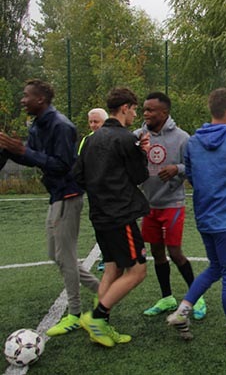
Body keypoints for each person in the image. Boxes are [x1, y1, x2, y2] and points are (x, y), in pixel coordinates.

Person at [0, 79, 100, 337]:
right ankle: (103, 291)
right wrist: (11, 150)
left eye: (26, 96)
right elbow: (32, 157)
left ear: (40, 100)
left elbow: (63, 165)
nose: (22, 100)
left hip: (69, 194)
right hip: (56, 195)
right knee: (54, 254)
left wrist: (23, 150)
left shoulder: (61, 126)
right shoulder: (37, 125)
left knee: (65, 256)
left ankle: (74, 314)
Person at [166, 88, 226, 347]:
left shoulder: (193, 142)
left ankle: (182, 311)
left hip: (205, 217)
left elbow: (191, 175)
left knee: (216, 267)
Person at [73, 87, 150, 347]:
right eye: (135, 109)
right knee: (137, 271)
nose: (136, 114)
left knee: (113, 267)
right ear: (125, 108)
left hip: (99, 214)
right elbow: (140, 176)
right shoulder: (126, 139)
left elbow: (78, 176)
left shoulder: (91, 139)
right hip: (120, 215)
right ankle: (97, 317)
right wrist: (142, 153)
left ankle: (99, 326)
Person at [134, 92, 206, 319]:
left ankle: (197, 297)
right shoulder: (138, 136)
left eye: (150, 110)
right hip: (149, 205)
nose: (145, 114)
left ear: (164, 112)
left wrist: (177, 168)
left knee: (175, 252)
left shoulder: (182, 138)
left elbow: (195, 166)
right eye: (144, 109)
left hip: (172, 204)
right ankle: (167, 297)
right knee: (157, 252)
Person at [78, 107, 109, 272]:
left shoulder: (113, 138)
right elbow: (80, 164)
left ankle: (116, 256)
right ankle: (106, 256)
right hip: (95, 192)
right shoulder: (87, 140)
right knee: (99, 224)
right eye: (90, 122)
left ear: (105, 122)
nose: (93, 125)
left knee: (116, 224)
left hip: (114, 191)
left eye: (96, 121)